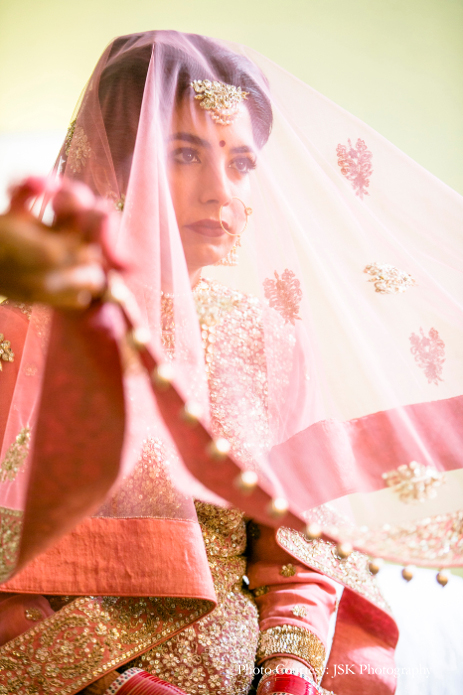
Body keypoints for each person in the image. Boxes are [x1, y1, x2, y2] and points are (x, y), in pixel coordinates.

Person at [0, 30, 462, 695]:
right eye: (185, 154)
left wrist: (290, 671)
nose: (222, 191)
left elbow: (295, 544)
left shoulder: (267, 340)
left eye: (241, 162)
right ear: (113, 166)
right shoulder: (23, 331)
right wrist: (121, 688)